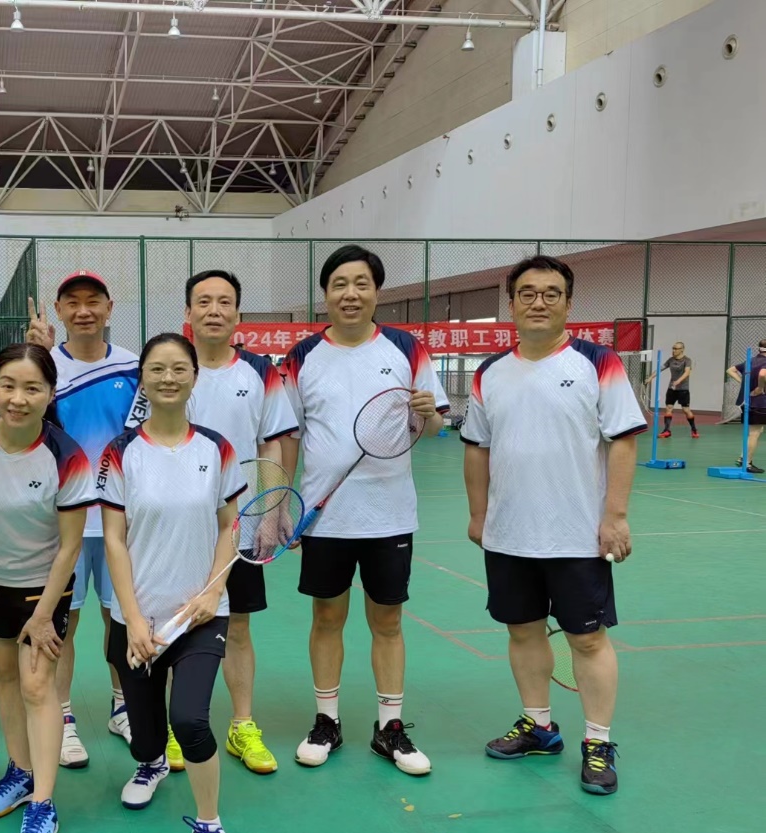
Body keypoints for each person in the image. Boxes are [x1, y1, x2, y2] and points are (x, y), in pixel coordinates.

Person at [462, 255, 647, 796]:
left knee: (587, 639)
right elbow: (477, 448)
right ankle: (539, 726)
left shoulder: (597, 362)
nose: (538, 302)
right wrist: (479, 514)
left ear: (568, 303)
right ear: (511, 303)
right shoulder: (490, 372)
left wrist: (615, 516)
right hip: (509, 532)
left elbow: (623, 441)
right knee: (521, 631)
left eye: (550, 293)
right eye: (527, 293)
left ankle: (598, 741)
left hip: (577, 534)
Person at [281, 245, 447, 775]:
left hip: (389, 514)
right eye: (339, 284)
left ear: (376, 292)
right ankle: (326, 721)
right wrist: (283, 503)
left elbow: (433, 427)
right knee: (327, 617)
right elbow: (288, 435)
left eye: (361, 284)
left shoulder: (406, 348)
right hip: (325, 516)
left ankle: (389, 728)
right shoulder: (303, 356)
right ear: (325, 294)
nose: (350, 294)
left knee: (388, 620)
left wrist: (430, 415)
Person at [127, 270, 296, 775]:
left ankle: (243, 724)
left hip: (234, 527)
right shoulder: (168, 369)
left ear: (238, 314)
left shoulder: (260, 372)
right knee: (170, 623)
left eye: (225, 302)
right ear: (188, 312)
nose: (214, 310)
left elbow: (273, 443)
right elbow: (137, 441)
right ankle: (175, 728)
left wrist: (272, 511)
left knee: (237, 625)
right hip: (171, 531)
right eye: (204, 301)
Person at [99, 333, 245, 833]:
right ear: (142, 378)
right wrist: (134, 619)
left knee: (190, 719)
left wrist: (212, 592)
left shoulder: (217, 448)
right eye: (156, 368)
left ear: (193, 377)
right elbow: (114, 540)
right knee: (146, 737)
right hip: (138, 618)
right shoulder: (120, 452)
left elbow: (230, 526)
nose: (168, 377)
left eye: (178, 368)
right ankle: (152, 762)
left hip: (201, 615)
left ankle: (210, 828)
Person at [0, 343, 95, 833]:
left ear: (50, 394)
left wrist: (43, 613)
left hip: (42, 588)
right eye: (8, 385)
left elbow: (71, 546)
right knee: (7, 677)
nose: (17, 398)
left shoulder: (66, 456)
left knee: (37, 687)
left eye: (32, 388)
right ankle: (20, 770)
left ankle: (43, 804)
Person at [26, 271, 139, 767]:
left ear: (109, 308)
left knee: (120, 618)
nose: (84, 310)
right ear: (59, 310)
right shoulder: (43, 367)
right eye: (73, 302)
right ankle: (64, 716)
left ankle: (123, 706)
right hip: (64, 520)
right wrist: (36, 355)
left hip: (119, 520)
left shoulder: (135, 366)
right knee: (63, 623)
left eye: (94, 301)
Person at [726, 340, 766, 474]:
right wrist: (760, 388)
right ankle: (747, 463)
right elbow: (763, 374)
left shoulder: (750, 361)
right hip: (759, 402)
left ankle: (743, 458)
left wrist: (744, 383)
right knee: (755, 433)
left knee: (756, 431)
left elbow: (730, 370)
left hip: (746, 401)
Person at [644, 342, 697, 438]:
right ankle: (667, 431)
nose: (674, 350)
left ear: (682, 350)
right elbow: (660, 369)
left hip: (683, 389)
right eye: (673, 348)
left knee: (686, 410)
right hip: (671, 388)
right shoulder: (670, 360)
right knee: (668, 408)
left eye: (676, 349)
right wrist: (651, 377)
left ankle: (694, 429)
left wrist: (678, 381)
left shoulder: (687, 360)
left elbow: (687, 372)